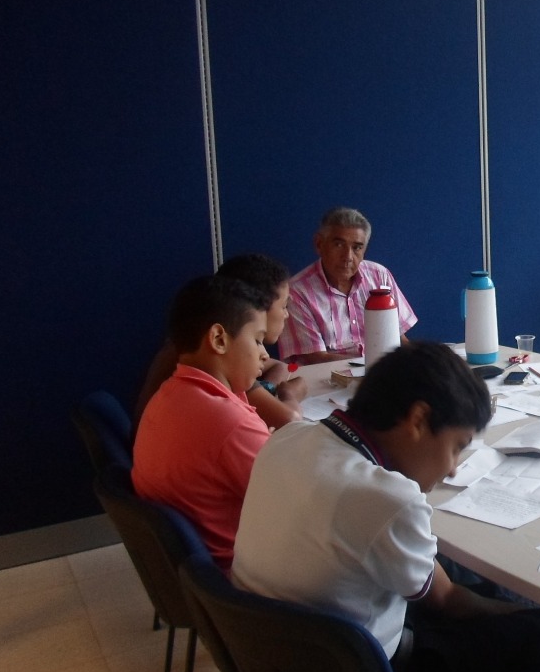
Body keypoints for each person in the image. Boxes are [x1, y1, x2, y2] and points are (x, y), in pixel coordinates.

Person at [231, 341, 540, 672]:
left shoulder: (287, 439)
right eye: (457, 447)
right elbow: (448, 602)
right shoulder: (386, 499)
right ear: (418, 419)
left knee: (474, 580)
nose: (452, 469)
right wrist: (535, 617)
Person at [133, 276, 273, 571]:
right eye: (258, 340)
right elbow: (296, 502)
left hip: (194, 576)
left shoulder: (169, 394)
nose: (265, 354)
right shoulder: (228, 422)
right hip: (239, 576)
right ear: (219, 339)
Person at [133, 254, 308, 430]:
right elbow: (289, 420)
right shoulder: (214, 361)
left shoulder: (205, 344)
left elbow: (278, 366)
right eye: (284, 306)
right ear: (255, 305)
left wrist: (265, 389)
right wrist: (289, 394)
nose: (286, 314)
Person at [277, 207, 417, 365]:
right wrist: (375, 368)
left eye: (357, 247)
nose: (348, 257)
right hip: (327, 376)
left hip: (382, 372)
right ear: (319, 244)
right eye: (338, 245)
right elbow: (317, 359)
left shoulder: (379, 276)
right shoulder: (297, 292)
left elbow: (398, 337)